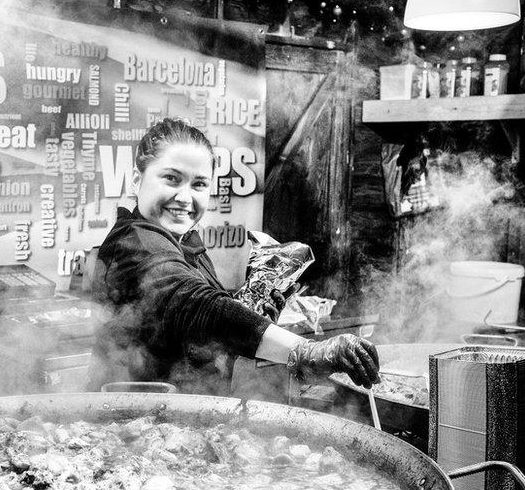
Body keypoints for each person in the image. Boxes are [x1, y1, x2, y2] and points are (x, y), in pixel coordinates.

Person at [89, 117, 379, 395]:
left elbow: (201, 328)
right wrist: (306, 351)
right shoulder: (134, 243)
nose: (184, 197)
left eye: (199, 184)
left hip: (189, 421)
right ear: (136, 181)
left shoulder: (187, 241)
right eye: (171, 179)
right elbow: (197, 304)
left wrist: (248, 313)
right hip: (129, 429)